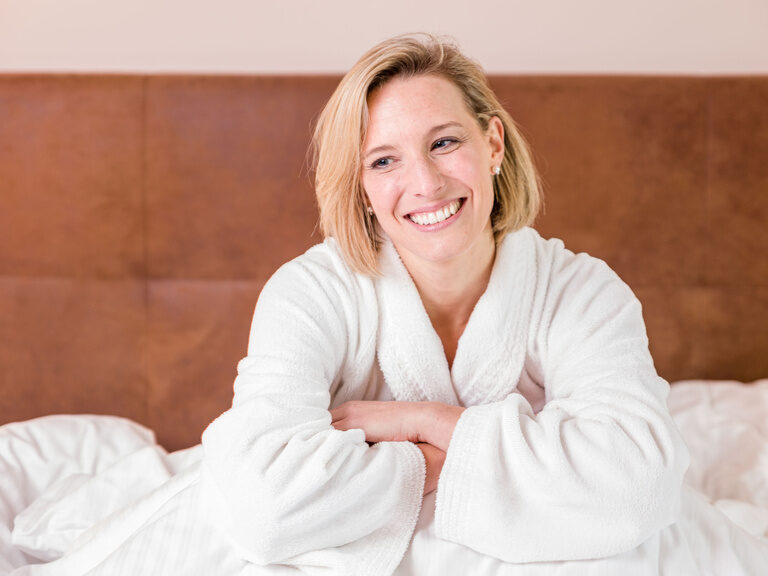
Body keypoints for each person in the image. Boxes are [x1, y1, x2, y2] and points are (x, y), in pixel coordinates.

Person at [200, 33, 690, 575]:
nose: (426, 184)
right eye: (384, 161)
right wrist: (454, 462)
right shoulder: (310, 294)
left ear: (494, 144)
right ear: (362, 188)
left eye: (444, 143)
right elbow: (262, 508)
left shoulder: (580, 293)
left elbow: (638, 488)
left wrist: (425, 420)